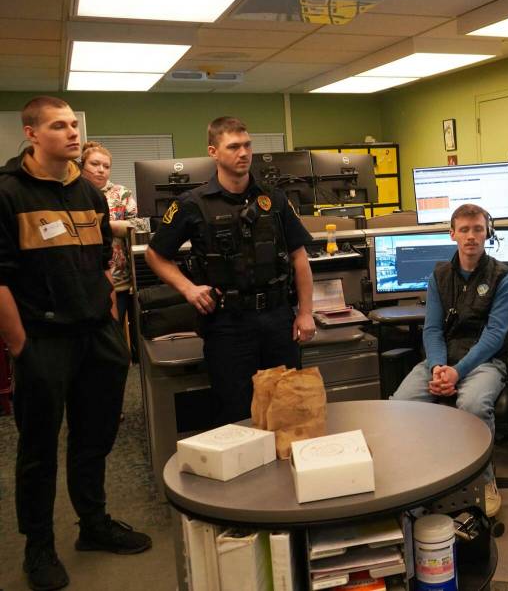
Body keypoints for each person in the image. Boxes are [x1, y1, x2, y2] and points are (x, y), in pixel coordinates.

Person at [0, 96, 152, 591]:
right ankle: (38, 546)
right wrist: (20, 345)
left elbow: (97, 264)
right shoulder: (8, 193)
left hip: (97, 335)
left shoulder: (90, 194)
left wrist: (108, 313)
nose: (72, 133)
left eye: (73, 125)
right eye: (59, 125)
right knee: (39, 448)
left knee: (94, 439)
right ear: (31, 133)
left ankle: (93, 524)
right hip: (42, 338)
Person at [146, 116, 315, 425]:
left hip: (278, 318)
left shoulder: (274, 199)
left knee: (288, 407)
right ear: (213, 152)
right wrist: (188, 288)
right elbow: (155, 255)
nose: (244, 153)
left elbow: (299, 257)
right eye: (234, 146)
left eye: (247, 145)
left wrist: (305, 312)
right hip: (228, 324)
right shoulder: (192, 203)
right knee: (236, 413)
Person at [391, 203, 508, 517]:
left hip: (484, 361)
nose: (471, 236)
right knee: (401, 403)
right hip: (442, 359)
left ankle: (486, 482)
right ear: (452, 235)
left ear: (487, 233)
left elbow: (495, 336)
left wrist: (457, 372)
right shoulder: (439, 276)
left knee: (473, 405)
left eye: (477, 229)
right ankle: (415, 480)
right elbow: (432, 329)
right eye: (464, 230)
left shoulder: (503, 277)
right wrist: (437, 368)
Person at [79, 141, 149, 323]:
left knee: (115, 333)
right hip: (82, 282)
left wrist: (106, 226)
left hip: (119, 282)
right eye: (94, 164)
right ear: (82, 165)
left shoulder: (121, 193)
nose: (101, 170)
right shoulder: (73, 194)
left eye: (106, 166)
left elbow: (140, 226)